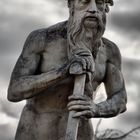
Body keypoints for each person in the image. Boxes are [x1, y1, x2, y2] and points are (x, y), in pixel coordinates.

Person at [8, 0, 127, 140]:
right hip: (35, 131)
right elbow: (14, 91)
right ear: (71, 5)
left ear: (106, 7)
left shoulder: (110, 51)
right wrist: (62, 72)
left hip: (80, 133)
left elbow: (120, 98)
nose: (93, 9)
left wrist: (96, 109)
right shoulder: (43, 39)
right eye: (84, 1)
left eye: (99, 2)